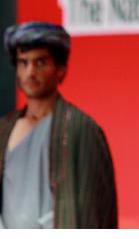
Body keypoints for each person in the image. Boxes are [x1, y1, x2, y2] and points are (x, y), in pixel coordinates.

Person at [0, 22, 118, 228]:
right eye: (23, 63)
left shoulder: (81, 129)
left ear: (60, 70)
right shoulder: (3, 129)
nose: (30, 72)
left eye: (40, 62)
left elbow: (98, 207)